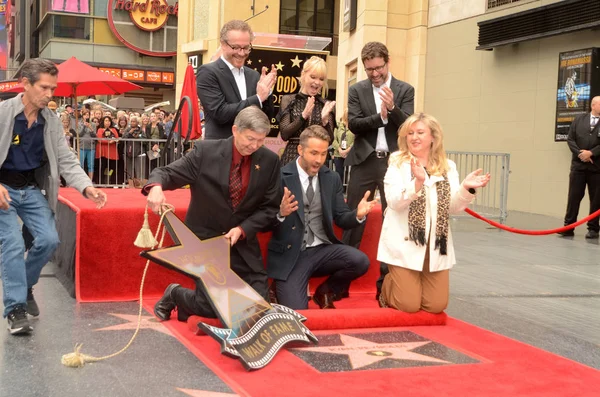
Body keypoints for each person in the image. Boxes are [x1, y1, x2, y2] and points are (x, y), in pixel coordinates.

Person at [0, 58, 107, 335]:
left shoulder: (51, 121)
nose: (50, 95)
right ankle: (15, 309)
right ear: (25, 84)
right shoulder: (3, 113)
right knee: (11, 246)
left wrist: (87, 187)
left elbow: (65, 159)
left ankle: (24, 286)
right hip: (4, 190)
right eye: (44, 88)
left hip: (32, 189)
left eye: (53, 88)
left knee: (49, 241)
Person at [147, 106, 281, 321]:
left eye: (261, 140)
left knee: (258, 307)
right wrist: (155, 187)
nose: (254, 146)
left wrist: (243, 229)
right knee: (211, 308)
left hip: (241, 242)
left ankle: (191, 301)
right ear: (235, 130)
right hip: (205, 242)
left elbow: (270, 207)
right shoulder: (204, 153)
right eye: (250, 139)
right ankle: (176, 293)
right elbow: (167, 172)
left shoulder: (269, 161)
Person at [377, 113, 490, 313]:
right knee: (408, 305)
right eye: (410, 133)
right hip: (405, 242)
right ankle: (386, 287)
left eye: (420, 132)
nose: (414, 137)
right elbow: (394, 202)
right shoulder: (397, 162)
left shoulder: (448, 166)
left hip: (436, 243)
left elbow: (452, 207)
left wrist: (466, 188)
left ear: (433, 138)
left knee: (436, 306)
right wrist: (417, 183)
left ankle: (413, 284)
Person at [268, 125, 376, 310]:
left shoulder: (331, 177)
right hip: (292, 255)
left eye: (324, 154)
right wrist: (280, 214)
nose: (319, 160)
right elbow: (264, 221)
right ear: (300, 150)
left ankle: (325, 291)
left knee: (360, 261)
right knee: (298, 311)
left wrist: (357, 215)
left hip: (322, 250)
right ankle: (278, 289)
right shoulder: (280, 176)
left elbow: (341, 217)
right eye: (314, 153)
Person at [342, 41, 415, 299]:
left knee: (392, 222)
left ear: (388, 62)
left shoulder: (405, 89)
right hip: (364, 161)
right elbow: (355, 125)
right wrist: (380, 118)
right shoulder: (357, 90)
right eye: (369, 69)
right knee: (353, 221)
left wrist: (393, 109)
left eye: (378, 68)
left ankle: (385, 287)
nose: (375, 74)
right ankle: (340, 284)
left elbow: (408, 125)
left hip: (393, 164)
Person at [197, 19, 277, 140]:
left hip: (251, 150)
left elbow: (266, 117)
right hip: (220, 150)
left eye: (246, 48)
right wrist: (258, 98)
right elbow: (220, 113)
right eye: (236, 47)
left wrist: (267, 92)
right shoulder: (208, 72)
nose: (241, 53)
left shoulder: (254, 75)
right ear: (223, 44)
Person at [277, 56, 336, 165]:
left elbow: (330, 140)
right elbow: (284, 134)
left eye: (321, 79)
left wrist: (325, 122)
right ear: (303, 75)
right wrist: (303, 116)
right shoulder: (289, 100)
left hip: (318, 161)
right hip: (292, 158)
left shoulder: (326, 105)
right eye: (313, 77)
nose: (317, 82)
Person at [559, 96, 600, 238]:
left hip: (596, 169)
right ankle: (568, 227)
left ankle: (593, 229)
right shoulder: (578, 119)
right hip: (578, 167)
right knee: (574, 197)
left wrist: (591, 153)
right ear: (593, 105)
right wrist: (580, 154)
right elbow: (570, 139)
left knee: (596, 199)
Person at [331, 109, 354, 186]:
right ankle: (339, 191)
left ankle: (348, 191)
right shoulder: (338, 125)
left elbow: (358, 139)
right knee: (339, 174)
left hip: (351, 154)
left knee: (350, 175)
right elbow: (333, 139)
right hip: (338, 154)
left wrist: (347, 150)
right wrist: (339, 149)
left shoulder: (355, 125)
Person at [95, 115, 119, 185]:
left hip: (112, 152)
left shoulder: (114, 130)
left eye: (109, 121)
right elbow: (100, 139)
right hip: (103, 152)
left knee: (112, 169)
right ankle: (101, 182)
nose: (107, 122)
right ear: (103, 122)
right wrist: (109, 141)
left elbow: (117, 138)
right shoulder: (100, 129)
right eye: (106, 121)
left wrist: (113, 141)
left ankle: (111, 182)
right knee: (102, 168)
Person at [78, 109, 96, 180]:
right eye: (85, 115)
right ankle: (81, 179)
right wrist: (84, 126)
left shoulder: (93, 124)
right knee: (81, 164)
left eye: (88, 115)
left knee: (91, 165)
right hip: (82, 146)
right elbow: (79, 134)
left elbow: (94, 135)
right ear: (82, 116)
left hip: (91, 147)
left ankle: (90, 180)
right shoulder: (79, 123)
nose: (86, 116)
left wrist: (90, 128)